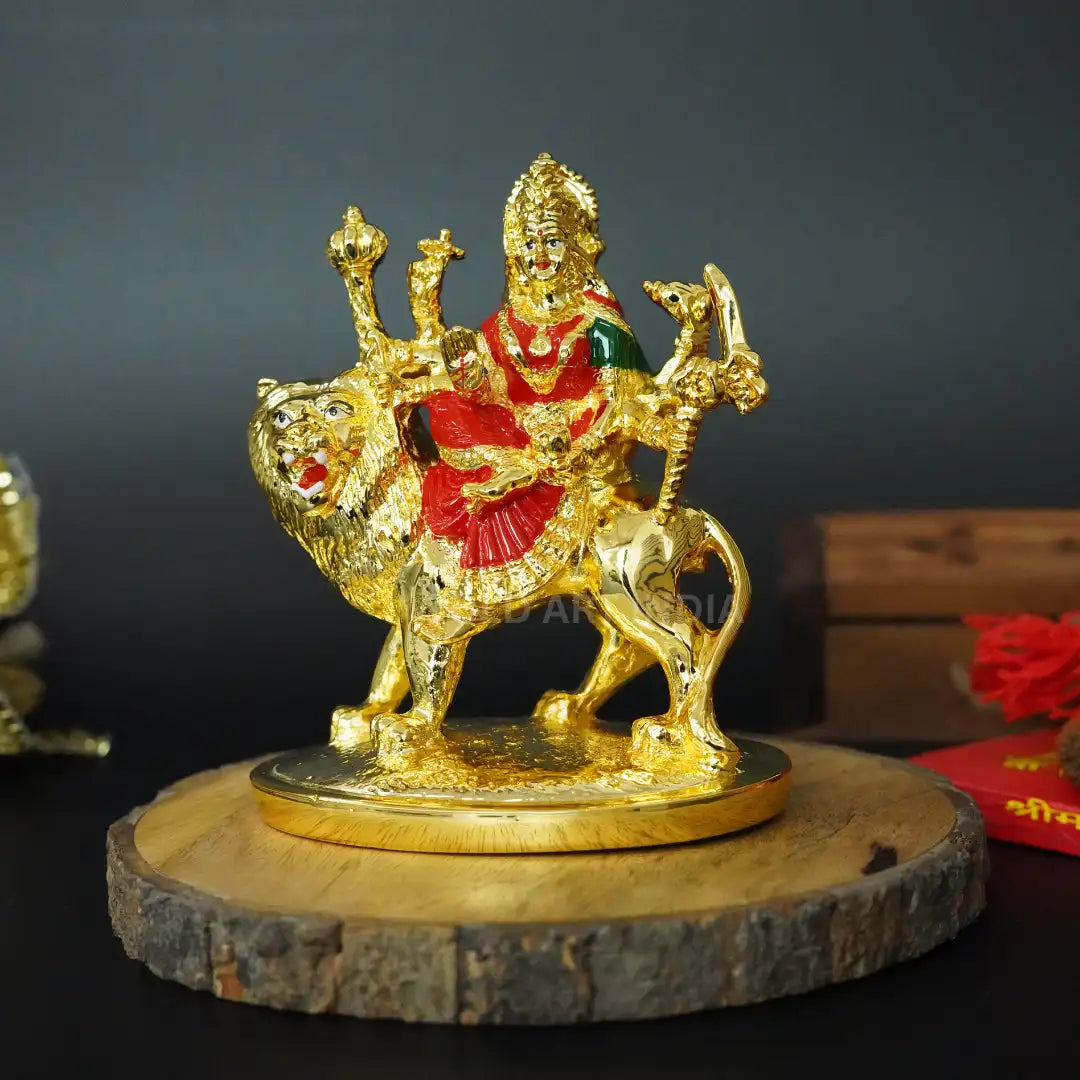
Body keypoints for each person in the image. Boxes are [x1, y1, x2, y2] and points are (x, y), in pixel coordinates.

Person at [420, 154, 671, 571]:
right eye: (531, 243)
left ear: (574, 245)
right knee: (442, 399)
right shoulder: (503, 322)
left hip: (578, 444)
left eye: (552, 241)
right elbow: (489, 391)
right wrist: (470, 375)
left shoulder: (600, 324)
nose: (540, 255)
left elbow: (620, 400)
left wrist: (578, 442)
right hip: (514, 440)